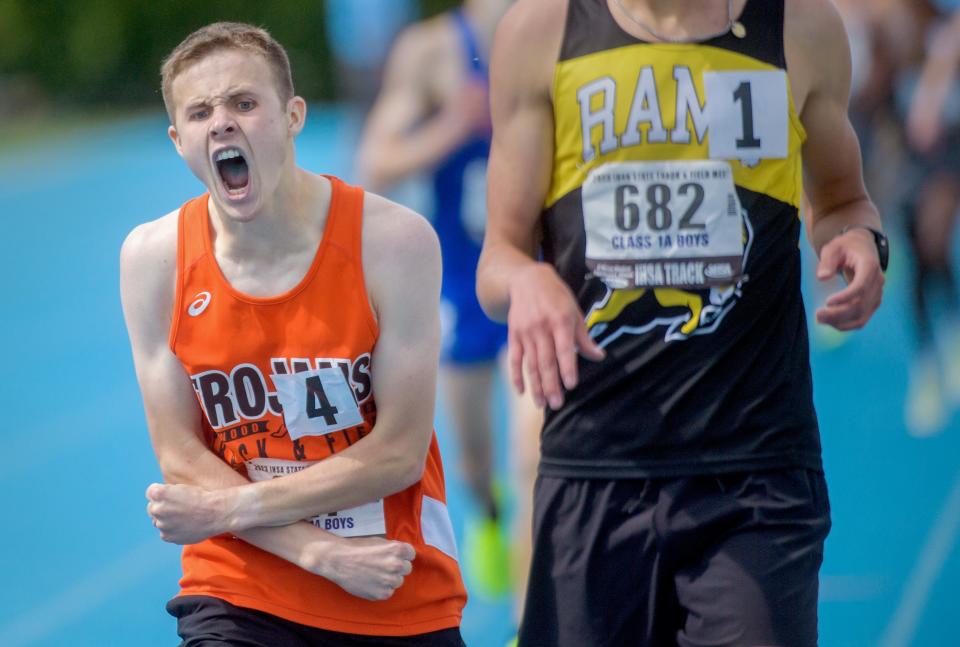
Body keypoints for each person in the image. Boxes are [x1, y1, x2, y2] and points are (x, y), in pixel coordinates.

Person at [477, 0, 887, 645]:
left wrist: (861, 240)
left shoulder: (802, 27)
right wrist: (526, 279)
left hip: (755, 466)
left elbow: (844, 199)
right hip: (596, 462)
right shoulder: (542, 31)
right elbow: (497, 259)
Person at [119, 22, 466, 646]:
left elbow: (399, 453)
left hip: (389, 577)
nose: (222, 123)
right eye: (200, 112)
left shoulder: (393, 242)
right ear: (178, 141)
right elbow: (181, 457)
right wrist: (316, 551)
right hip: (240, 585)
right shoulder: (154, 260)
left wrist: (228, 510)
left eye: (244, 103)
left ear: (292, 115)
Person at [356, 0, 541, 603]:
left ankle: (526, 620)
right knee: (476, 466)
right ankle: (487, 512)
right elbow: (374, 164)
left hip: (536, 276)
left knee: (533, 459)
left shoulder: (565, 30)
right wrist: (451, 127)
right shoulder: (431, 51)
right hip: (462, 283)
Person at [901, 1, 960, 436]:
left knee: (934, 239)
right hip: (907, 158)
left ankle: (953, 336)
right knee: (918, 253)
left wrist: (937, 78)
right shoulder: (901, 26)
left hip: (948, 153)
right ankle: (926, 360)